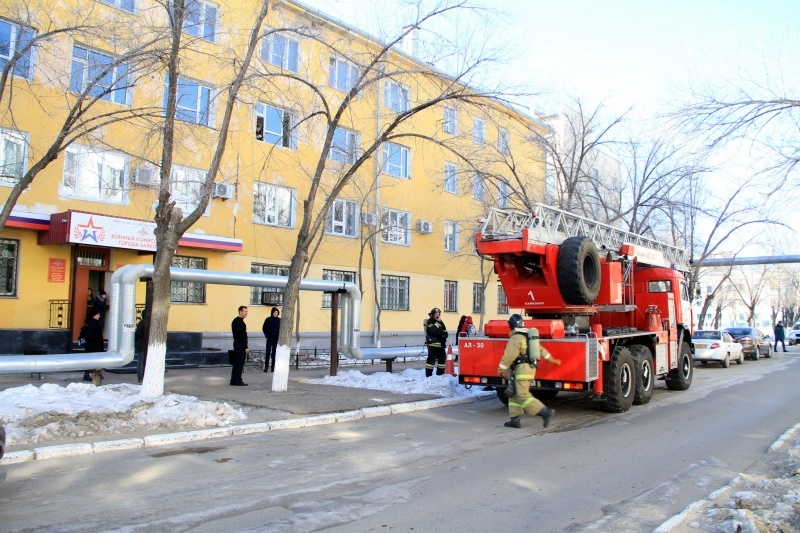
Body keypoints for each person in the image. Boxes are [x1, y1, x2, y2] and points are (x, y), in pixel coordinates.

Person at [498, 313, 562, 428]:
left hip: (522, 369)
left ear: (511, 325)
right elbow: (542, 350)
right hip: (528, 369)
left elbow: (509, 356)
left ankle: (544, 411)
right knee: (513, 393)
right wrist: (552, 360)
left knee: (522, 395)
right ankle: (514, 420)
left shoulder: (516, 338)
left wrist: (501, 368)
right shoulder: (529, 337)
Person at [424, 307, 448, 377]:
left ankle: (439, 375)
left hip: (441, 345)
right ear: (432, 315)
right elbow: (432, 331)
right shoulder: (430, 322)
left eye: (438, 314)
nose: (437, 315)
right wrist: (437, 323)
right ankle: (428, 376)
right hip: (432, 345)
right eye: (436, 314)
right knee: (431, 361)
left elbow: (445, 332)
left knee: (442, 359)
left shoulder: (440, 322)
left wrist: (443, 335)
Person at [81, 312, 105, 382]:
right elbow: (90, 335)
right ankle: (87, 375)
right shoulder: (91, 324)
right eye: (97, 314)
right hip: (92, 346)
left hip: (95, 346)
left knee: (95, 361)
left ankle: (96, 375)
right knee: (90, 361)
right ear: (93, 315)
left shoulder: (95, 323)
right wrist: (98, 336)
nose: (99, 316)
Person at [230, 305, 249, 386]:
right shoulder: (240, 323)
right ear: (240, 312)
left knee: (236, 363)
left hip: (236, 344)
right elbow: (242, 336)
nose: (246, 313)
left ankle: (233, 380)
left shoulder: (235, 321)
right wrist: (246, 347)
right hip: (240, 345)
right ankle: (238, 380)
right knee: (240, 363)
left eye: (247, 312)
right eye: (245, 311)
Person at [261, 307, 280, 372]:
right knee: (268, 353)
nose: (275, 314)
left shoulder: (279, 320)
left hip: (276, 339)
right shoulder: (268, 319)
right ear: (272, 313)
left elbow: (281, 329)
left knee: (274, 354)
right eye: (274, 312)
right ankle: (266, 367)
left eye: (277, 313)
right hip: (269, 338)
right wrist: (267, 336)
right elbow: (264, 328)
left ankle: (273, 367)